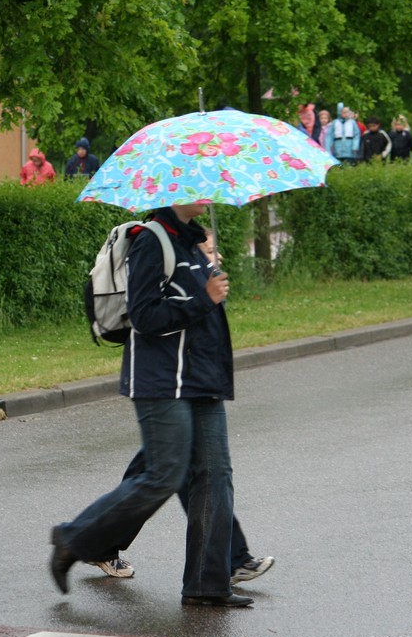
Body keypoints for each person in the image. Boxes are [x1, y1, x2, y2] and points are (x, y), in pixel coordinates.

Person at [51, 203, 254, 608]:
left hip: (203, 381)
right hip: (161, 381)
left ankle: (207, 585)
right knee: (164, 475)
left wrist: (208, 290)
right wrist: (204, 298)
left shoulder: (193, 244)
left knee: (215, 478)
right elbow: (144, 316)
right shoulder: (152, 241)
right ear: (173, 193)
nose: (205, 194)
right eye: (194, 185)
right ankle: (73, 539)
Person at [87, 228, 275, 585]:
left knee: (161, 475)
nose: (216, 254)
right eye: (211, 248)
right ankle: (230, 559)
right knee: (183, 477)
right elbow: (152, 316)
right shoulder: (165, 253)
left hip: (192, 384)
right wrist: (205, 296)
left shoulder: (196, 265)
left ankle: (96, 542)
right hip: (172, 385)